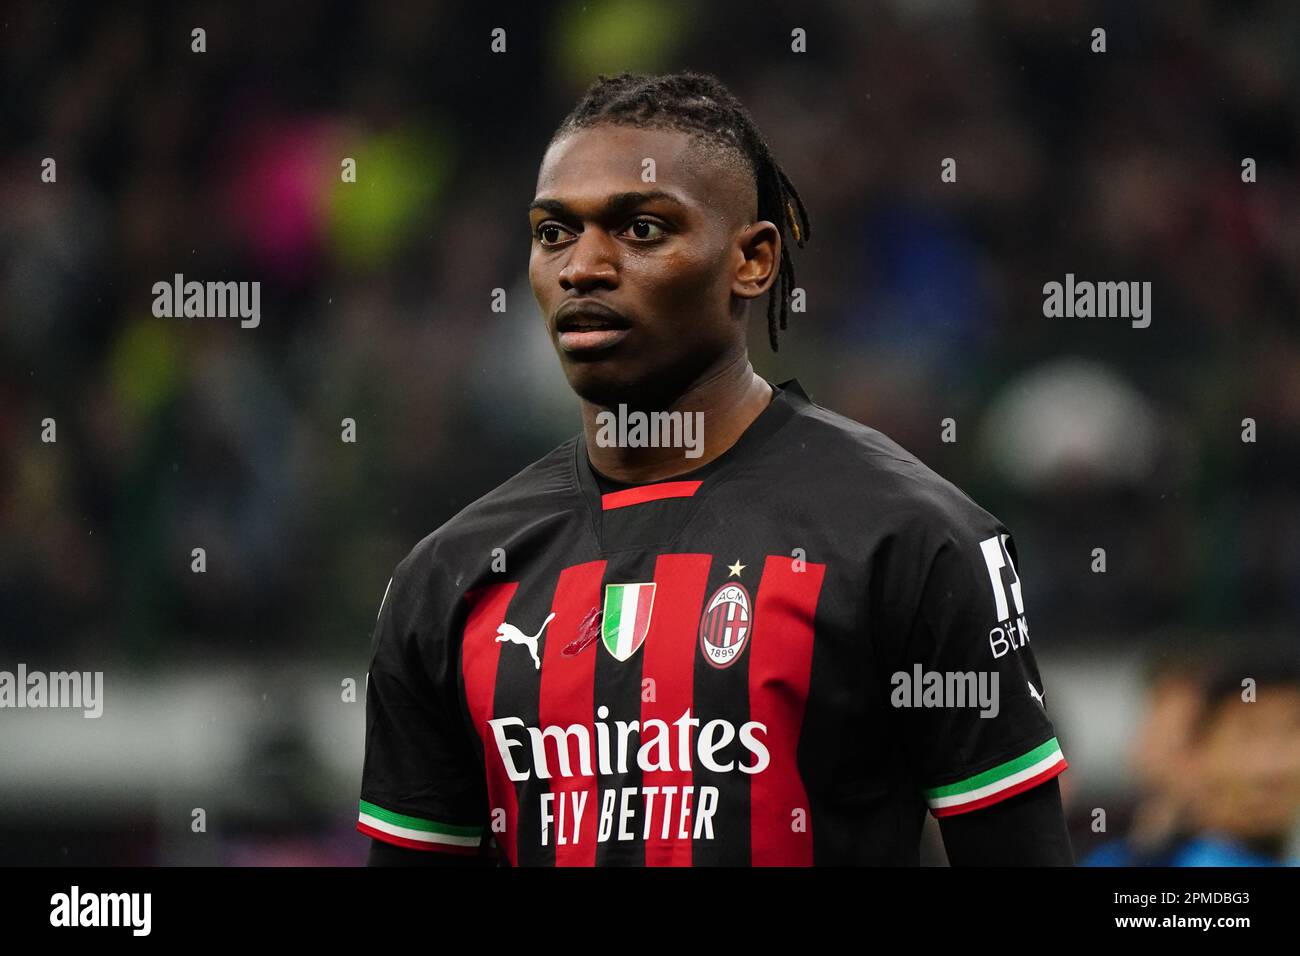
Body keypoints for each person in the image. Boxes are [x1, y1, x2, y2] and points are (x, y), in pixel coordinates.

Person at [358, 70, 1072, 866]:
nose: (582, 267)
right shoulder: (448, 576)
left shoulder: (913, 540)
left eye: (642, 230)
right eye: (554, 232)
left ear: (754, 261)